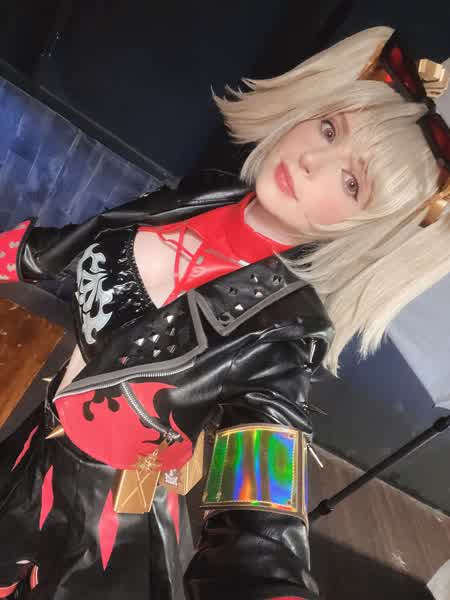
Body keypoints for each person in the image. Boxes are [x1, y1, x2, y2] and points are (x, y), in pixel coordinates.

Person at [0, 25, 449, 600]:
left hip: (101, 523)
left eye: (351, 182)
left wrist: (267, 580)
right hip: (37, 442)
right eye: (330, 128)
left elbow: (262, 526)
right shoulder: (201, 195)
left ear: (367, 229)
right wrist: (17, 255)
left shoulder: (284, 338)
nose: (312, 161)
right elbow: (90, 236)